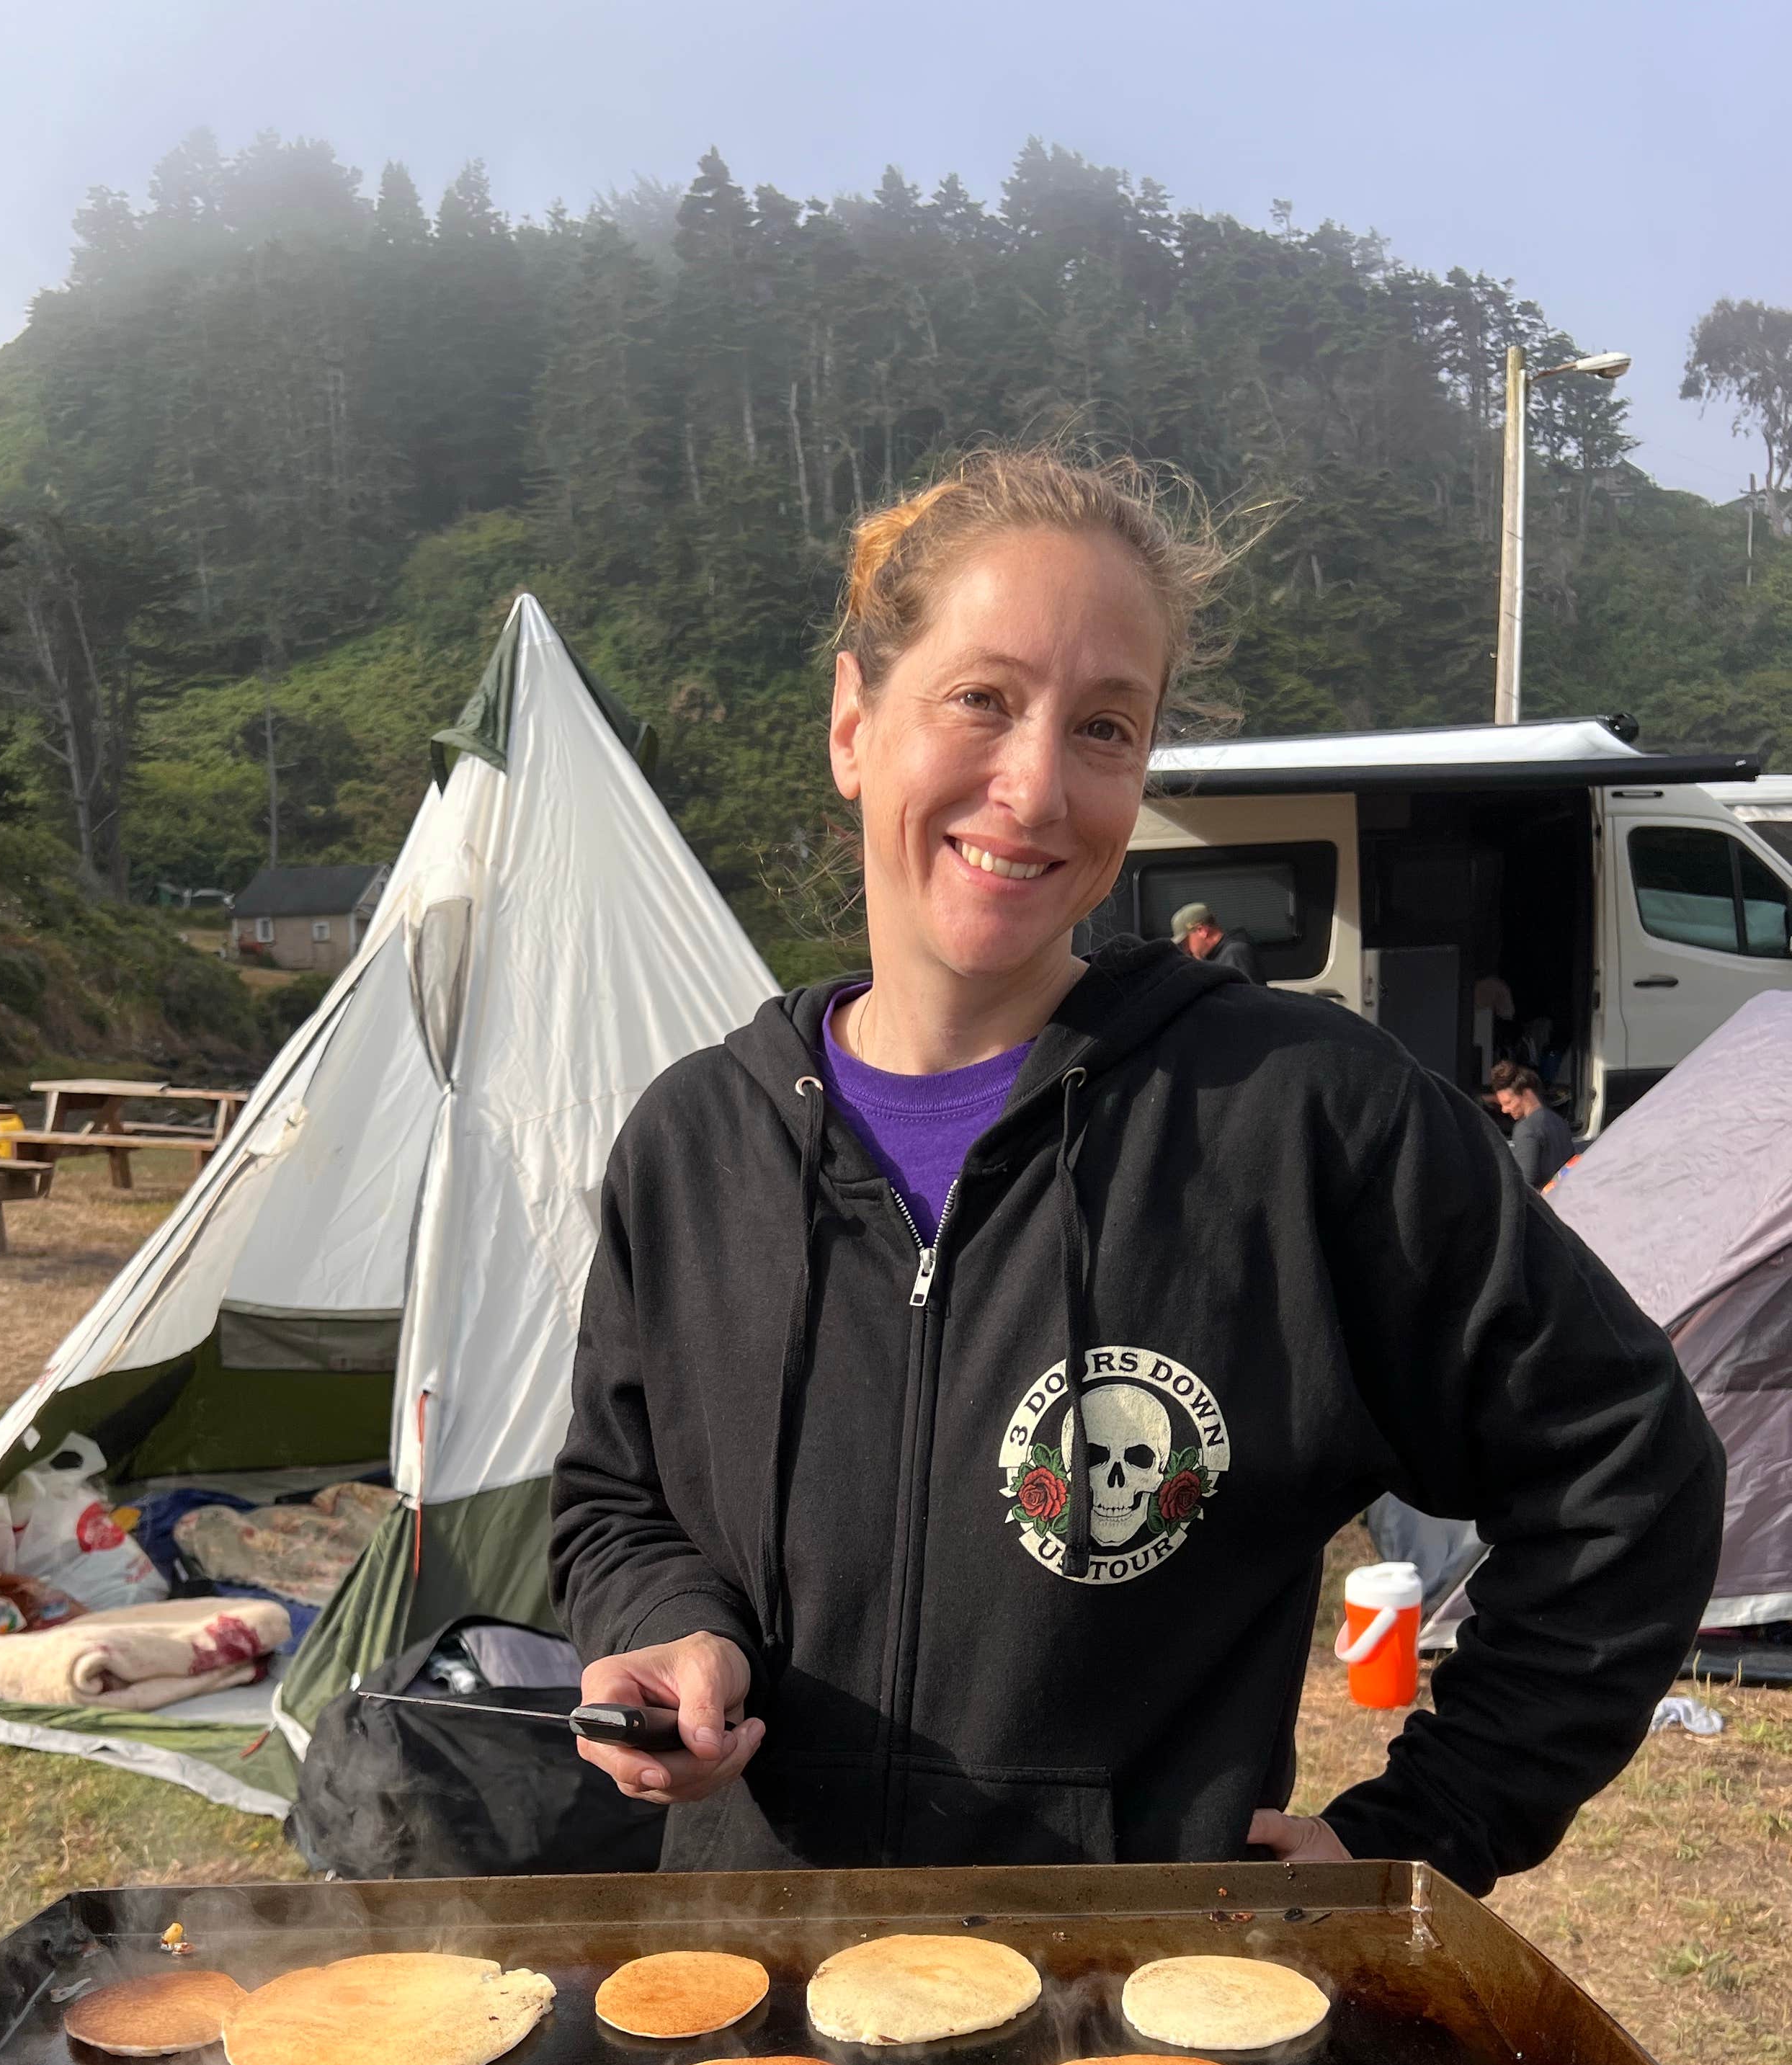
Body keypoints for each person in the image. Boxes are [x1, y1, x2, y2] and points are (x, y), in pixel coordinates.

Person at [548, 447, 1723, 1895]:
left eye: (1104, 727)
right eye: (981, 700)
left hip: (1141, 2026)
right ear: (856, 723)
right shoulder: (695, 1144)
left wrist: (1423, 1825)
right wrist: (675, 1623)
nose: (1035, 786)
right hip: (751, 2012)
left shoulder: (1301, 1122)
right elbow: (618, 1497)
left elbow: (1632, 1473)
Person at [1490, 1061, 1574, 1192]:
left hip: (1545, 1204)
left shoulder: (1526, 1129)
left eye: (1508, 1102)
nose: (1504, 1110)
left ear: (1527, 1093)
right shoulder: (1559, 1121)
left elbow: (1525, 1184)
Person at [1170, 899, 1257, 981]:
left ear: (1201, 930)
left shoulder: (1235, 953)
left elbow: (1246, 994)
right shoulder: (1215, 958)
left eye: (1186, 942)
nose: (1186, 950)